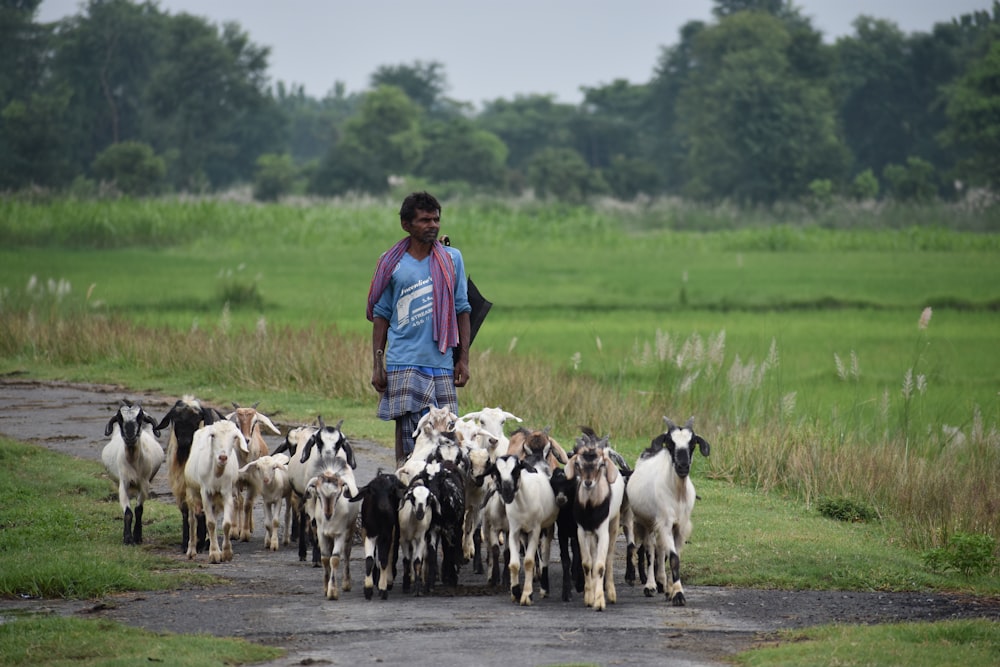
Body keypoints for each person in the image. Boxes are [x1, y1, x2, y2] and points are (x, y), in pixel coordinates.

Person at [366, 191, 472, 464]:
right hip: (403, 361)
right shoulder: (391, 262)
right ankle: (405, 494)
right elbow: (381, 313)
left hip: (441, 361)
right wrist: (378, 363)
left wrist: (463, 360)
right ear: (406, 224)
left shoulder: (452, 259)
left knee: (446, 441)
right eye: (425, 220)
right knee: (408, 440)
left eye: (436, 219)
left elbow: (462, 308)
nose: (433, 225)